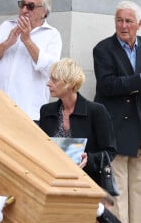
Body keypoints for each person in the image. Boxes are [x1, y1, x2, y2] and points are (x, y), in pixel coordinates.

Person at [93, 0, 141, 223]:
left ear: (139, 24)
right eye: (119, 20)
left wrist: (129, 84)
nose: (123, 26)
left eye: (128, 21)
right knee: (118, 188)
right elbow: (107, 85)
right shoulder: (103, 49)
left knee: (139, 189)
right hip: (116, 129)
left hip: (140, 129)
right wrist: (137, 81)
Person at [0, 0, 62, 121]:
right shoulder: (6, 26)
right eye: (22, 5)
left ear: (44, 12)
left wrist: (27, 41)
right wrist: (7, 43)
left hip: (29, 113)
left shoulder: (52, 35)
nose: (24, 10)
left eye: (30, 6)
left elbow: (52, 71)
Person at [39, 58, 117, 186]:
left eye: (54, 80)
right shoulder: (46, 111)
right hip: (52, 182)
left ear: (69, 84)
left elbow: (110, 151)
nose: (48, 83)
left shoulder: (96, 111)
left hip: (87, 183)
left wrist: (89, 159)